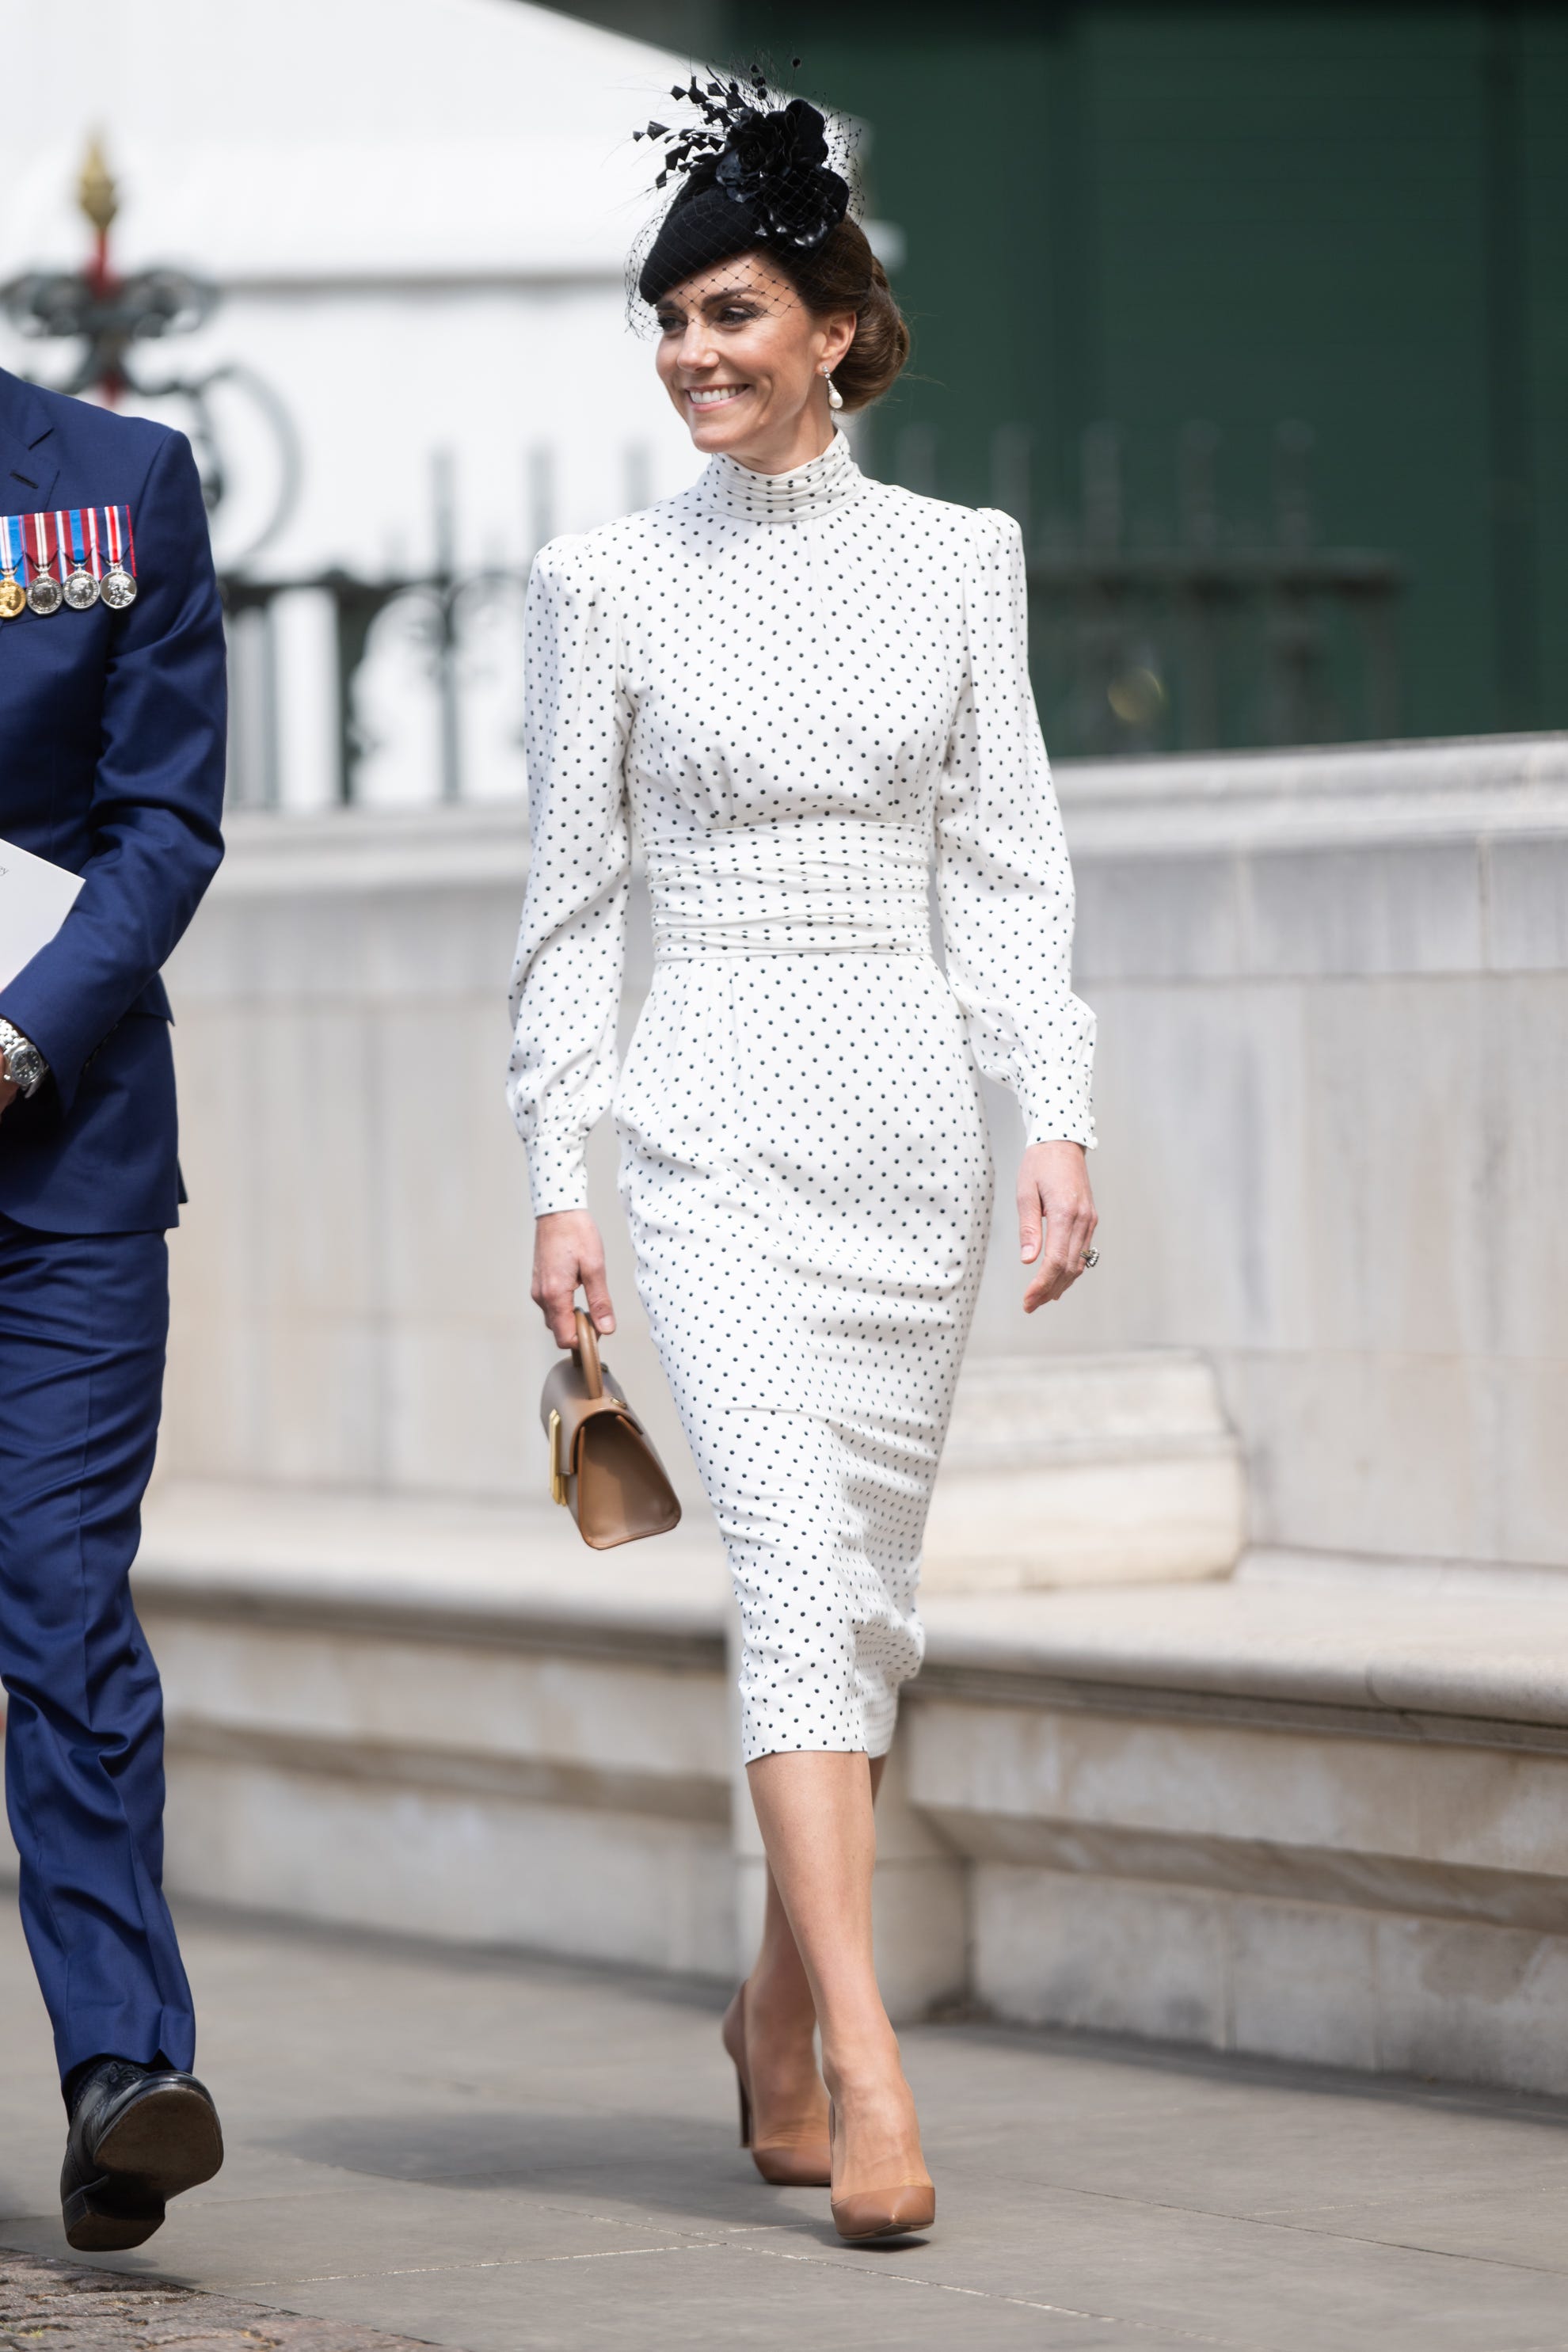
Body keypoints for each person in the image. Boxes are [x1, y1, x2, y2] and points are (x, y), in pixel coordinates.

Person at [508, 81, 1097, 2244]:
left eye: (730, 311)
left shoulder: (962, 563)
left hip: (906, 1137)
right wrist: (558, 1177)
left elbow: (1009, 868)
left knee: (857, 1603)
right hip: (705, 1134)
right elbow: (569, 905)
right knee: (784, 1575)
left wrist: (1056, 1110)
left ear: (836, 326)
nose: (690, 353)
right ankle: (863, 2054)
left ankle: (768, 2014)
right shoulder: (600, 585)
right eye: (665, 318)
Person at [0, 366, 227, 2249]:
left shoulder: (118, 481)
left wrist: (20, 1034)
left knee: (64, 1601)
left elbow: (165, 820)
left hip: (56, 1159)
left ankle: (120, 2076)